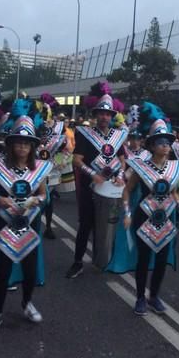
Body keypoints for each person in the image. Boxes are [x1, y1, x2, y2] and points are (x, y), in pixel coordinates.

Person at [109, 103, 179, 315]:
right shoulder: (141, 167)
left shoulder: (174, 167)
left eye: (168, 142)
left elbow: (173, 191)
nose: (165, 146)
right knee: (143, 260)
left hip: (165, 218)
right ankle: (141, 298)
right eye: (161, 142)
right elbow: (127, 190)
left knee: (161, 261)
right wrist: (126, 212)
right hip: (143, 217)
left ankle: (154, 296)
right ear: (152, 145)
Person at [0, 116, 51, 328]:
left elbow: (43, 195)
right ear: (11, 146)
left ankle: (27, 303)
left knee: (29, 270)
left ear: (32, 147)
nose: (22, 147)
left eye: (27, 144)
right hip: (5, 224)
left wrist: (33, 201)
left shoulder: (38, 169)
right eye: (19, 143)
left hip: (29, 224)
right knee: (3, 271)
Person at [66, 92, 127, 279]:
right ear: (95, 115)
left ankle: (103, 260)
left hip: (110, 189)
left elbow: (123, 160)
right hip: (89, 188)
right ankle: (78, 262)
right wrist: (93, 174)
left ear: (112, 117)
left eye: (108, 114)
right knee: (86, 225)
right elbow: (76, 160)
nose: (104, 117)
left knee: (107, 226)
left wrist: (121, 176)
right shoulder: (85, 135)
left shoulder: (117, 137)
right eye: (101, 113)